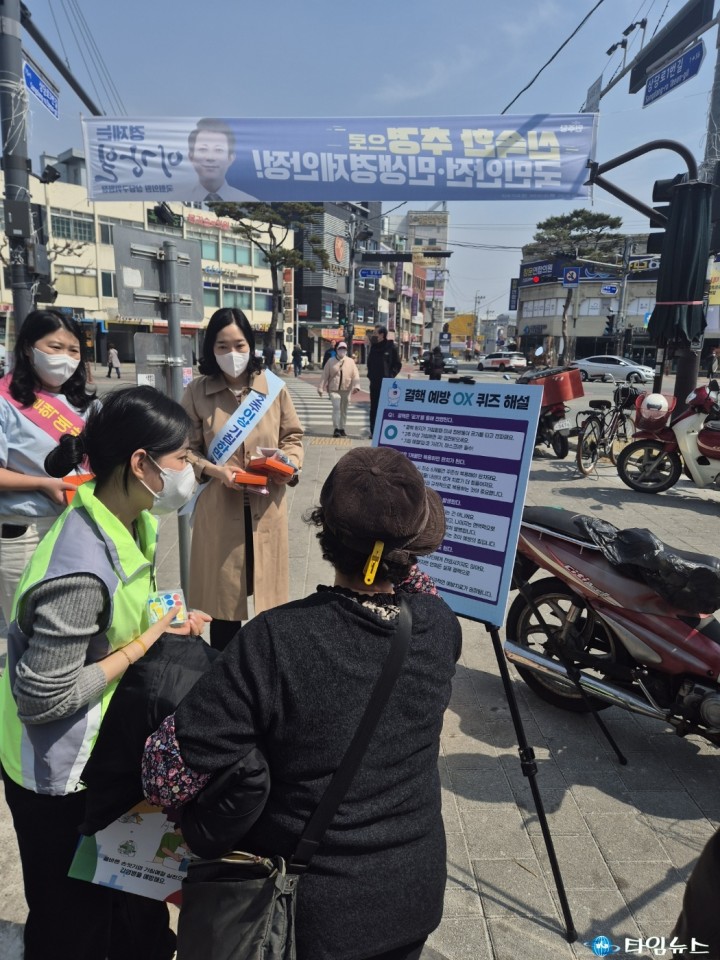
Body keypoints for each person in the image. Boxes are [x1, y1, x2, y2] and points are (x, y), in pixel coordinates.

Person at [142, 446, 461, 960]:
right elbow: (416, 588)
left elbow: (165, 775)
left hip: (309, 915)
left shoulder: (276, 639)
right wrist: (394, 547)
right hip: (412, 892)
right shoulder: (440, 626)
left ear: (324, 531)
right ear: (412, 550)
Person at [0, 386, 209, 960]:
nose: (189, 471)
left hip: (107, 746)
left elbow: (127, 604)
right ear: (141, 464)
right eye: (181, 458)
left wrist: (167, 621)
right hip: (57, 772)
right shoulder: (79, 571)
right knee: (73, 924)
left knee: (130, 902)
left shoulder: (131, 516)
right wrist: (144, 644)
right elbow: (43, 698)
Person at [181, 307, 304, 651]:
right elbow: (184, 449)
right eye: (222, 346)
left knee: (269, 604)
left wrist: (288, 464)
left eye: (239, 345)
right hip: (220, 511)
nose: (232, 354)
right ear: (211, 349)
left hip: (267, 509)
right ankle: (224, 672)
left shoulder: (273, 388)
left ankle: (262, 670)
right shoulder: (196, 392)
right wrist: (216, 472)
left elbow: (293, 437)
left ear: (251, 345)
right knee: (223, 607)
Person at [0, 309, 97, 625]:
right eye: (55, 347)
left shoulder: (87, 405)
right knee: (25, 627)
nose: (65, 358)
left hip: (77, 529)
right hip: (24, 533)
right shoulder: (4, 400)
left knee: (72, 623)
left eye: (73, 350)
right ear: (29, 348)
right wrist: (42, 484)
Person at [187, 118, 258, 203]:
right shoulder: (178, 196)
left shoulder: (250, 200)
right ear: (191, 157)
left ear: (231, 158)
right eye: (203, 149)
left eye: (219, 150)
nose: (210, 157)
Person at [318, 340, 360, 437]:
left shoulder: (350, 361)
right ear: (336, 350)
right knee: (337, 407)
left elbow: (355, 375)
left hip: (346, 389)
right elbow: (324, 375)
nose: (342, 350)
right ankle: (336, 428)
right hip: (334, 389)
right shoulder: (330, 361)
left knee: (344, 410)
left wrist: (357, 386)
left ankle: (342, 428)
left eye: (344, 349)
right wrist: (320, 387)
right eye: (340, 348)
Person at [367, 324, 402, 435]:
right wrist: (370, 376)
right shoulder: (373, 347)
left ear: (382, 335)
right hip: (374, 383)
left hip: (387, 384)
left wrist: (390, 376)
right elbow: (369, 363)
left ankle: (384, 432)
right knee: (374, 408)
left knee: (385, 409)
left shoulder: (391, 347)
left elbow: (397, 364)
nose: (373, 335)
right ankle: (373, 432)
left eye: (375, 333)